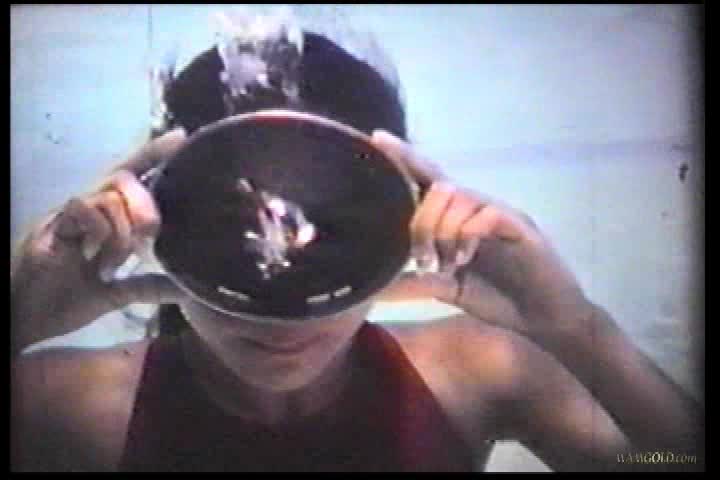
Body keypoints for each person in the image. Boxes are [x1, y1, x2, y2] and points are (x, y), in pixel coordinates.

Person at [10, 12, 703, 472]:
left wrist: (573, 327)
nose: (282, 313)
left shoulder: (479, 371)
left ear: (403, 220)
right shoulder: (66, 405)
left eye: (332, 228)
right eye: (228, 228)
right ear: (155, 223)